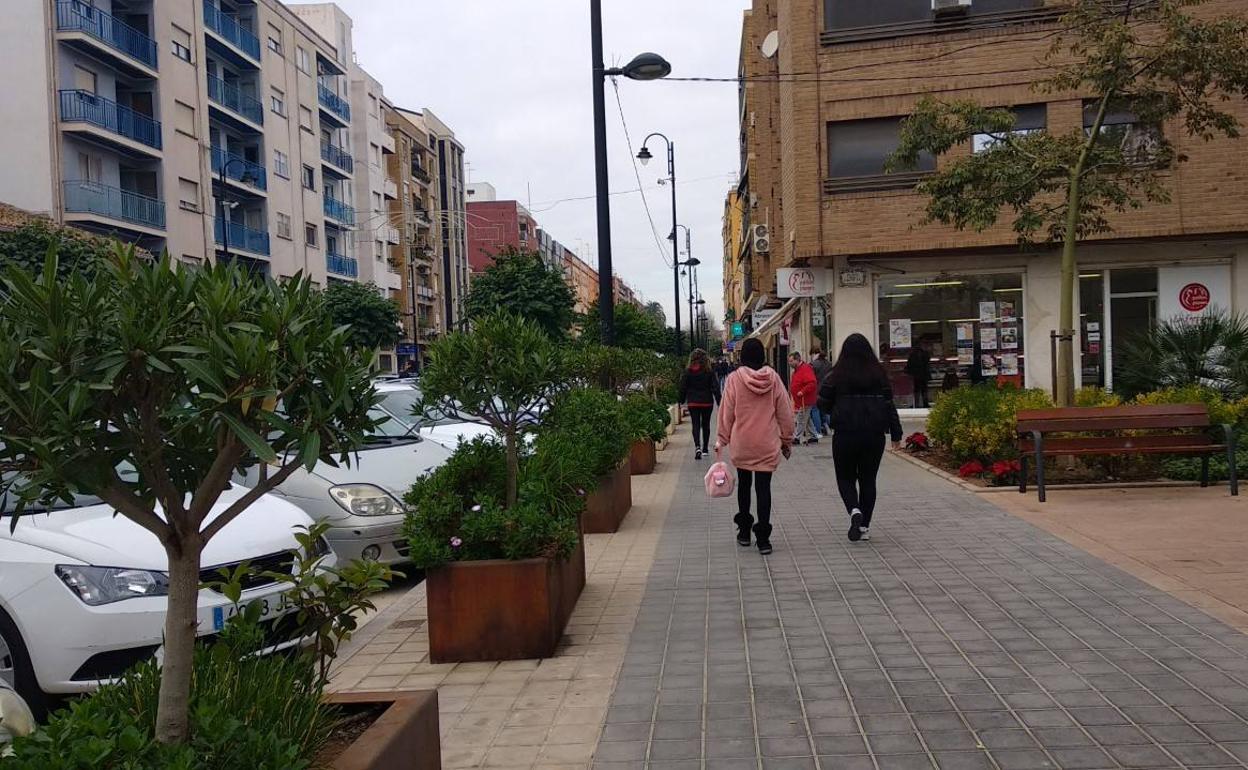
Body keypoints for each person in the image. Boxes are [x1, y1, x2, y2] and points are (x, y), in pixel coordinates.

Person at [817, 333, 904, 543]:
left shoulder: (835, 375)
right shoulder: (879, 375)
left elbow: (822, 402)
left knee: (845, 478)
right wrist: (896, 432)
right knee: (868, 479)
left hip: (845, 434)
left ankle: (854, 510)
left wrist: (834, 411)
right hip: (874, 435)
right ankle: (864, 525)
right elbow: (888, 404)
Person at [717, 337, 794, 555]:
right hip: (766, 443)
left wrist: (722, 438)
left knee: (744, 485)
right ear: (762, 356)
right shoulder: (774, 379)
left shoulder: (733, 379)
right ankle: (763, 539)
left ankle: (744, 530)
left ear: (742, 357)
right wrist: (786, 439)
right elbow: (785, 412)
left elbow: (727, 411)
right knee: (763, 488)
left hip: (742, 442)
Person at [678, 349, 721, 460]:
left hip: (693, 402)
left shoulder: (687, 372)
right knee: (706, 425)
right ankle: (705, 448)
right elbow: (715, 387)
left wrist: (681, 400)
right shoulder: (709, 372)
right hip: (707, 402)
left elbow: (683, 387)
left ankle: (697, 447)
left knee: (695, 424)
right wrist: (719, 401)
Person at [788, 352, 819, 445]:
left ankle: (797, 437)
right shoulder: (797, 370)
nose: (789, 363)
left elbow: (812, 383)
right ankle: (814, 436)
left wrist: (802, 391)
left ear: (797, 360)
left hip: (806, 399)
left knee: (801, 418)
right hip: (801, 400)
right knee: (807, 418)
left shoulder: (805, 368)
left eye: (791, 361)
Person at [810, 348, 834, 436]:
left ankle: (817, 430)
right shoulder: (829, 364)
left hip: (816, 389)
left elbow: (810, 377)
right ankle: (832, 427)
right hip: (826, 388)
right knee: (825, 411)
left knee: (815, 410)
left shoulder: (813, 364)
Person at [905, 343, 932, 408]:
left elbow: (909, 365)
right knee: (924, 390)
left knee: (917, 390)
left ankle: (916, 404)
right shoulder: (925, 354)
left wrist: (909, 372)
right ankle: (925, 403)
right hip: (923, 375)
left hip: (916, 375)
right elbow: (928, 361)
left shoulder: (912, 354)